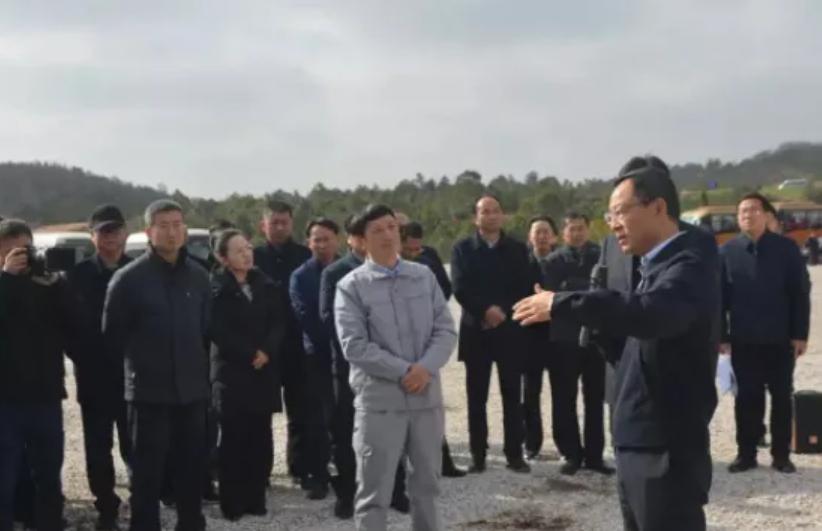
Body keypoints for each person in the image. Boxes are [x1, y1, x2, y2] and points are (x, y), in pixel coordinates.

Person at [513, 157, 720, 531]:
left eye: (621, 212)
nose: (613, 224)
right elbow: (635, 344)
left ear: (658, 207)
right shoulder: (648, 265)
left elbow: (654, 314)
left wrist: (564, 303)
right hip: (635, 439)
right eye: (609, 216)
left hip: (666, 444)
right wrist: (597, 330)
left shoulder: (689, 261)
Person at [335, 204, 458, 531]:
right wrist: (405, 371)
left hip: (425, 399)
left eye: (391, 227)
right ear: (361, 241)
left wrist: (425, 368)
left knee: (427, 487)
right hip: (380, 404)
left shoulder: (423, 277)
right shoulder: (351, 286)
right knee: (374, 491)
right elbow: (354, 346)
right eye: (377, 230)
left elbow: (445, 330)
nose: (388, 235)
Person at [103, 199, 212, 531]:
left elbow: (205, 331)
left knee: (190, 469)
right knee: (147, 475)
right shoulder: (128, 279)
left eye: (177, 224)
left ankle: (191, 524)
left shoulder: (199, 276)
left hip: (191, 393)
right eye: (163, 226)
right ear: (149, 231)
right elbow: (112, 339)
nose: (172, 232)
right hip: (149, 395)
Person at [320, 214, 411, 520]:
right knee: (348, 433)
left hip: (391, 365)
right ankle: (348, 494)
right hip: (351, 368)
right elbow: (328, 319)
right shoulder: (335, 273)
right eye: (363, 235)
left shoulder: (396, 270)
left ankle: (395, 490)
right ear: (353, 239)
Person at [720, 192, 811, 474]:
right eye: (742, 211)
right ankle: (746, 454)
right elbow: (719, 298)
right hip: (743, 339)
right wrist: (721, 335)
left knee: (782, 397)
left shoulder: (786, 248)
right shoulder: (727, 251)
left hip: (780, 338)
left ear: (767, 215)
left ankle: (781, 455)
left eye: (753, 210)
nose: (747, 215)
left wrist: (800, 334)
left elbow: (799, 294)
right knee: (746, 398)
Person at [0, 219, 81, 531]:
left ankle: (49, 523)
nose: (21, 257)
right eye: (10, 251)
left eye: (25, 249)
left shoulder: (49, 285)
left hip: (45, 395)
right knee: (4, 476)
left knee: (48, 474)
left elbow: (75, 326)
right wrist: (7, 278)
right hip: (5, 399)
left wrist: (59, 286)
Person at [450, 195, 534, 474]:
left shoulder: (517, 249)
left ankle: (514, 454)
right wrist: (485, 311)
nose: (491, 215)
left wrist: (504, 313)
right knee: (477, 398)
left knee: (512, 397)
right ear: (476, 217)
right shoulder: (462, 249)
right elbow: (460, 287)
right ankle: (478, 456)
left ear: (503, 215)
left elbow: (524, 286)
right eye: (485, 211)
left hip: (510, 331)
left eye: (496, 210)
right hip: (477, 332)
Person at [209, 229, 284, 520]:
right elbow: (217, 330)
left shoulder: (265, 283)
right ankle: (233, 502)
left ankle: (256, 498)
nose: (246, 254)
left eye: (248, 248)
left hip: (263, 371)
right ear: (223, 258)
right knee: (233, 439)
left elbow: (279, 322)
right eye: (238, 250)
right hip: (233, 372)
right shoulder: (216, 288)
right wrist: (249, 353)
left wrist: (267, 350)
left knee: (260, 437)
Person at [67, 205, 133, 530]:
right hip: (94, 377)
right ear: (92, 236)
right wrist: (87, 359)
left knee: (138, 445)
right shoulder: (77, 277)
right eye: (103, 231)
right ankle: (106, 508)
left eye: (115, 231)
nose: (110, 237)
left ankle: (143, 503)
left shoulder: (137, 271)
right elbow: (67, 329)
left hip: (133, 375)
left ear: (125, 233)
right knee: (98, 447)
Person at [541, 212, 612, 476]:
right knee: (564, 398)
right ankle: (571, 453)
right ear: (563, 233)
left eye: (581, 228)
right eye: (572, 229)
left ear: (589, 229)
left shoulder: (601, 256)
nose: (577, 233)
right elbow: (553, 294)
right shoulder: (553, 261)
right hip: (564, 338)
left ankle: (595, 456)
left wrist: (572, 287)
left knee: (595, 399)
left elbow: (606, 289)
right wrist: (587, 289)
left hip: (595, 338)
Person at [399, 221, 466, 478]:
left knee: (430, 407)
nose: (414, 254)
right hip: (397, 348)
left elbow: (445, 288)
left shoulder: (428, 259)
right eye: (409, 249)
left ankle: (442, 462)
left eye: (418, 249)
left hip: (425, 342)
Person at [253, 200, 312, 486]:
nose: (279, 227)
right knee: (261, 412)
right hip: (264, 347)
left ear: (292, 224)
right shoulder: (252, 257)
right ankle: (259, 471)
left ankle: (300, 467)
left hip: (298, 345)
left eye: (284, 222)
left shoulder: (304, 256)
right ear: (262, 226)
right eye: (273, 222)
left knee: (301, 409)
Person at [289, 217, 341, 500]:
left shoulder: (348, 269)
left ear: (337, 240)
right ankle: (318, 475)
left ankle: (349, 473)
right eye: (316, 240)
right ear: (308, 243)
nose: (322, 245)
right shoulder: (300, 276)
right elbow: (306, 318)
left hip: (349, 356)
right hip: (317, 356)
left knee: (347, 416)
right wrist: (334, 342)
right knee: (318, 419)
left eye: (326, 239)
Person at [522, 215, 559, 460]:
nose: (542, 236)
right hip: (530, 335)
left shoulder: (562, 262)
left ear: (554, 236)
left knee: (561, 393)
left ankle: (565, 444)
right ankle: (532, 443)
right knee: (530, 393)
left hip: (558, 336)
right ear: (530, 237)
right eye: (538, 232)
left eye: (546, 232)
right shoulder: (522, 263)